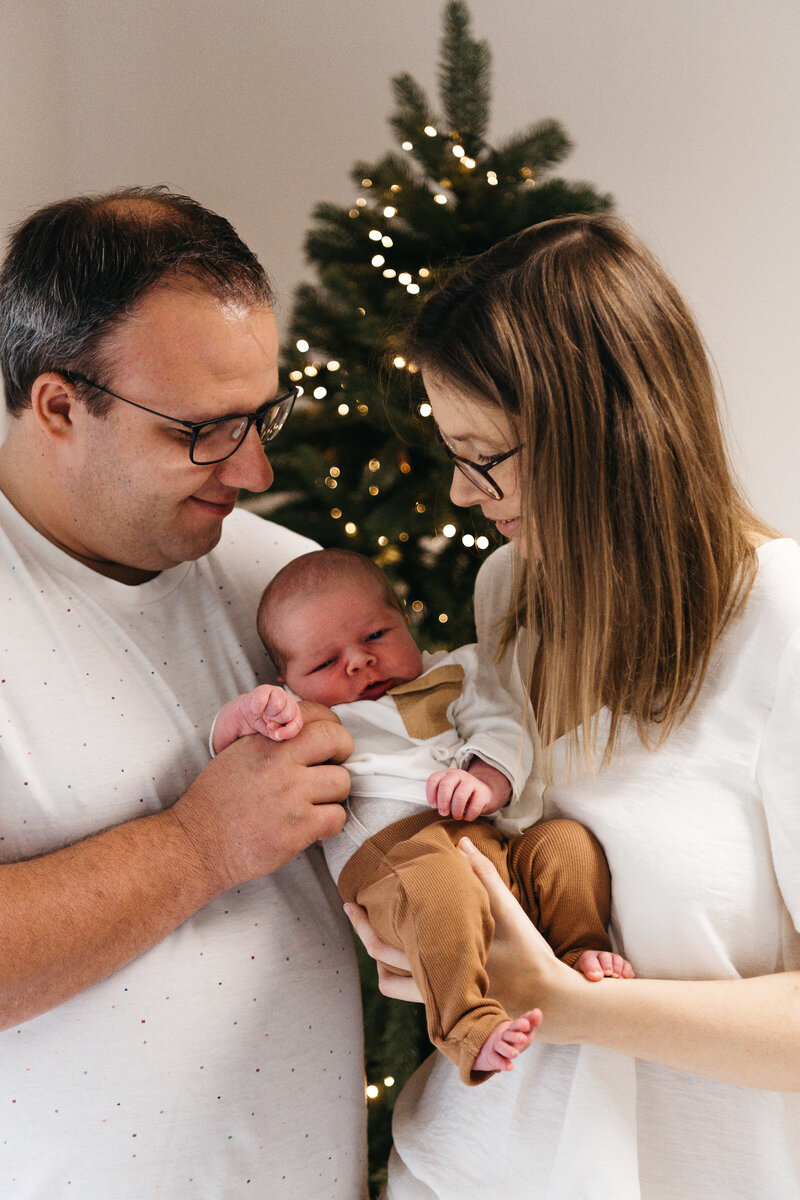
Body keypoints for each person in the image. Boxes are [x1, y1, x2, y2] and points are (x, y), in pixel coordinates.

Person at [347, 214, 800, 1198]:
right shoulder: (512, 588)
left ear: (600, 434)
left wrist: (567, 1002)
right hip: (457, 1168)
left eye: (482, 456)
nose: (461, 495)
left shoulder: (784, 624)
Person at [0, 188, 367, 1198]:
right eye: (202, 431)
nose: (253, 469)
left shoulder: (288, 590)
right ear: (59, 407)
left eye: (261, 416)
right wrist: (199, 846)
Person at [211, 548, 633, 1085]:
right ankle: (467, 1025)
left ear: (404, 620)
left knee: (565, 842)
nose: (358, 662)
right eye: (324, 663)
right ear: (289, 678)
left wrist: (485, 780)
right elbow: (234, 757)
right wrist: (244, 716)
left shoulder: (455, 673)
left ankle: (580, 952)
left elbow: (503, 729)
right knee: (435, 882)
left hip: (486, 840)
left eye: (376, 635)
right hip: (393, 862)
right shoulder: (300, 714)